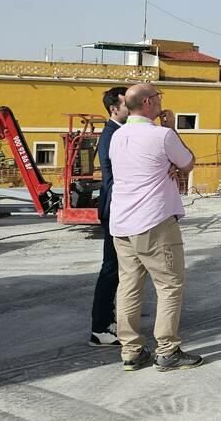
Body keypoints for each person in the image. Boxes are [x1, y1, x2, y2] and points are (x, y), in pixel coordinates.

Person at [109, 83, 203, 371]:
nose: (161, 101)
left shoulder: (118, 135)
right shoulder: (161, 135)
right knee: (169, 285)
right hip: (154, 221)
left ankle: (131, 351)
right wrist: (172, 128)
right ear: (149, 102)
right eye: (158, 97)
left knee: (128, 287)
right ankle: (168, 350)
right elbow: (187, 162)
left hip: (121, 223)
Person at [89, 86, 130, 347]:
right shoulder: (112, 135)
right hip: (115, 209)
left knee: (117, 270)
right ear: (114, 108)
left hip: (116, 208)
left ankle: (111, 319)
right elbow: (114, 179)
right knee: (111, 269)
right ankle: (100, 328)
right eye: (127, 103)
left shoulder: (118, 132)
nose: (132, 107)